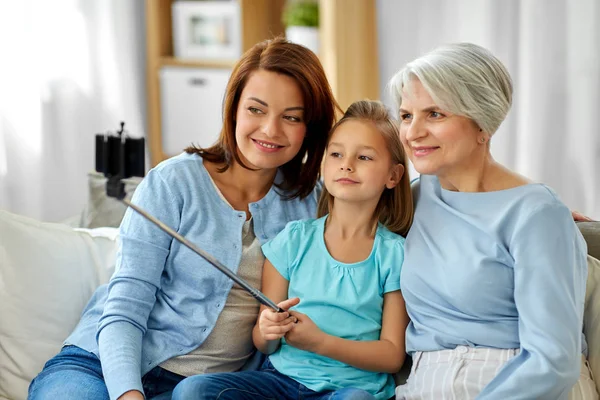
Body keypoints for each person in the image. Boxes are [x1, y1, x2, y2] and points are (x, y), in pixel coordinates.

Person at [28, 37, 339, 400]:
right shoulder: (172, 182)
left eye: (291, 117)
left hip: (204, 389)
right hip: (101, 366)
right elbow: (126, 306)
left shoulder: (313, 203)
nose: (270, 129)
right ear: (234, 108)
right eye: (256, 109)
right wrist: (128, 394)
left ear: (310, 127)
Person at [390, 43, 598, 399]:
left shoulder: (537, 214)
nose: (413, 132)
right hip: (422, 385)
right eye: (407, 115)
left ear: (482, 123)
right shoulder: (415, 197)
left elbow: (553, 361)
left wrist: (551, 223)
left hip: (520, 386)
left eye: (435, 114)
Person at [171, 100, 414, 400]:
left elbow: (392, 356)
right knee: (192, 391)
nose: (346, 164)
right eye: (336, 153)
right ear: (324, 165)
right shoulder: (293, 240)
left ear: (393, 176)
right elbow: (264, 343)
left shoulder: (395, 254)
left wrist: (320, 342)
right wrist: (267, 328)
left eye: (364, 157)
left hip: (350, 389)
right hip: (280, 383)